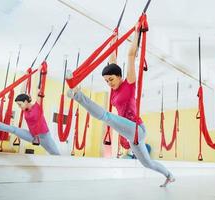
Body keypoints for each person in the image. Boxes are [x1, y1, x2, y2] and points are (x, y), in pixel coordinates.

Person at [66, 23, 175, 187]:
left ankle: (77, 95)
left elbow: (131, 55)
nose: (109, 83)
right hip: (132, 136)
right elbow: (112, 59)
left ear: (119, 76)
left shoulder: (129, 84)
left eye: (111, 79)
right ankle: (169, 175)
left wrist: (136, 32)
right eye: (106, 81)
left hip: (137, 129)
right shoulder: (114, 90)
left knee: (106, 116)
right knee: (147, 164)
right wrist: (114, 38)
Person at [0, 66, 60, 155]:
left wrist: (39, 71)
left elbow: (39, 88)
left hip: (45, 137)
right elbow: (23, 90)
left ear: (26, 101)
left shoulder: (38, 106)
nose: (19, 107)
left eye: (20, 104)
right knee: (13, 129)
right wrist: (26, 76)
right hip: (32, 136)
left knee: (56, 155)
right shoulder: (25, 109)